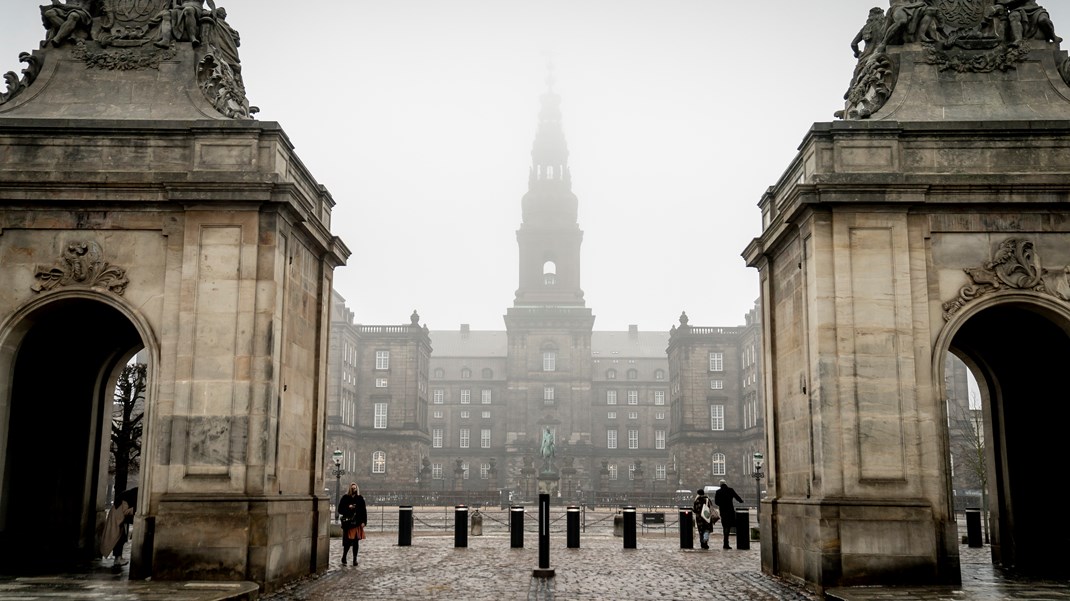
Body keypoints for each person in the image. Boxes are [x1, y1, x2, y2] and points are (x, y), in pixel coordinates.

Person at [100, 488, 136, 565]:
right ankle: (118, 559)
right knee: (119, 538)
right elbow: (125, 511)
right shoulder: (126, 499)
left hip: (118, 519)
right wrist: (135, 509)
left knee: (120, 537)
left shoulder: (126, 496)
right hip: (117, 519)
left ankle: (118, 558)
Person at [338, 482, 367, 566]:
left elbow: (364, 511)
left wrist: (364, 522)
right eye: (352, 488)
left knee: (356, 542)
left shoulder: (360, 498)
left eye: (355, 488)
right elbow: (340, 510)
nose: (354, 490)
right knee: (347, 542)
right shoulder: (345, 498)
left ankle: (355, 559)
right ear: (350, 489)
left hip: (357, 522)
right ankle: (344, 557)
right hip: (348, 523)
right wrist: (348, 507)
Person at [713, 479, 744, 550]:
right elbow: (737, 497)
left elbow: (716, 502)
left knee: (725, 527)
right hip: (730, 510)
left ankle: (725, 543)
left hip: (723, 511)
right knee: (731, 525)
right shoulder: (730, 490)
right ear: (726, 483)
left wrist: (721, 504)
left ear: (720, 484)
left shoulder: (718, 492)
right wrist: (741, 501)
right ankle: (737, 542)